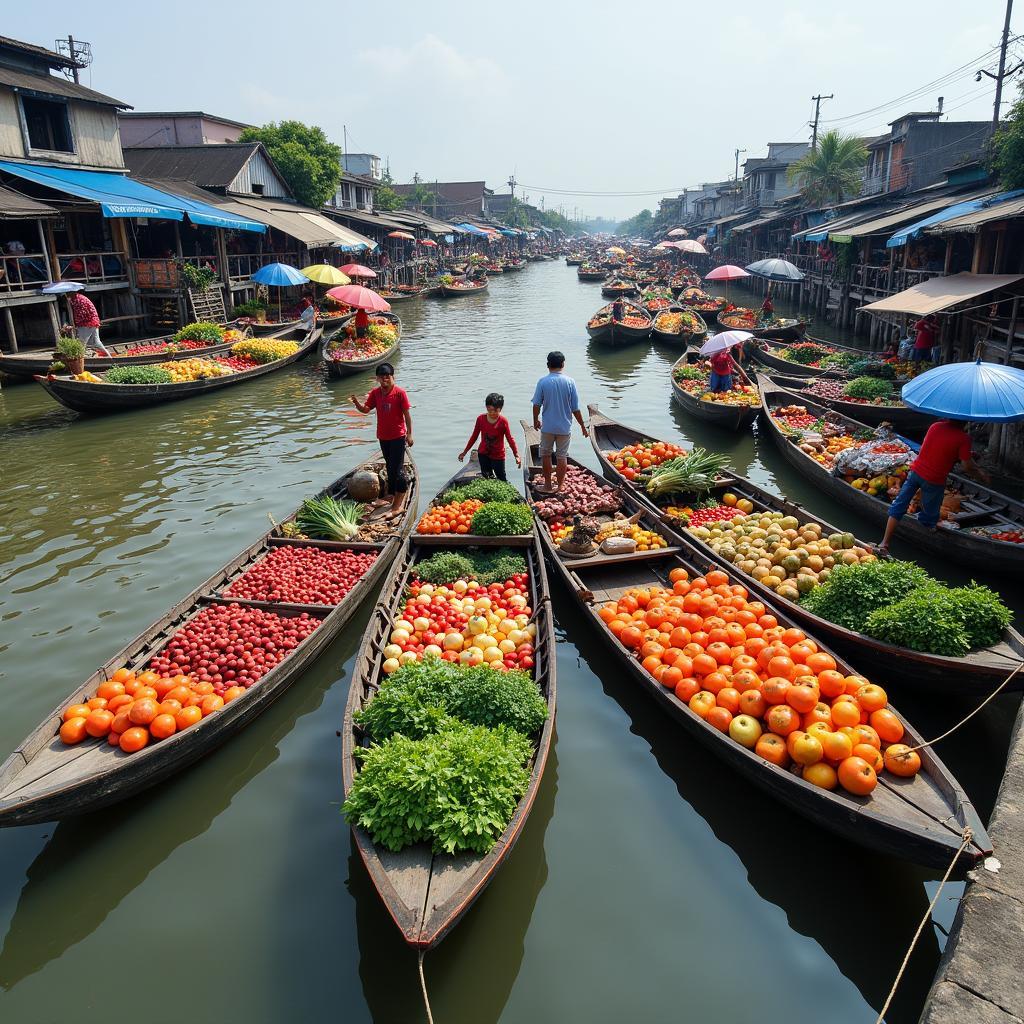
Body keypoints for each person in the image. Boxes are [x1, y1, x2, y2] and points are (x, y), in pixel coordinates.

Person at [876, 419, 990, 554]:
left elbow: (937, 447)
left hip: (916, 472)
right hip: (934, 479)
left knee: (899, 505)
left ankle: (884, 543)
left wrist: (965, 454)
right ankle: (928, 525)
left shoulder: (935, 426)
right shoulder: (964, 438)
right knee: (930, 516)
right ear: (965, 422)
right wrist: (982, 476)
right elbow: (968, 467)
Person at [349, 363, 413, 518]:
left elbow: (407, 415)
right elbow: (366, 410)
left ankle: (397, 506)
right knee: (390, 468)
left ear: (392, 377)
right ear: (377, 378)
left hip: (398, 436)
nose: (385, 379)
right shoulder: (375, 393)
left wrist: (409, 434)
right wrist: (356, 403)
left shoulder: (400, 393)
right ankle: (391, 495)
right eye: (381, 377)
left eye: (388, 376)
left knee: (397, 471)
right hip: (383, 437)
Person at [532, 350, 588, 493]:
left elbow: (536, 404)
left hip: (548, 427)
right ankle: (561, 486)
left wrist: (536, 420)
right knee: (562, 456)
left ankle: (548, 486)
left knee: (545, 455)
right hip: (564, 427)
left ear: (547, 365)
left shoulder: (543, 382)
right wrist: (582, 426)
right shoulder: (570, 382)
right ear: (563, 364)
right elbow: (575, 408)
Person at [458, 392, 521, 480]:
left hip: (498, 455)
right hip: (483, 454)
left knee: (501, 478)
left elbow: (510, 438)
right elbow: (474, 436)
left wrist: (516, 455)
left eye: (495, 410)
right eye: (489, 410)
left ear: (500, 409)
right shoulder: (480, 419)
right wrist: (464, 452)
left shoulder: (503, 421)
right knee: (487, 477)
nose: (492, 413)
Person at [68, 289, 109, 355]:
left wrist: (74, 326)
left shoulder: (77, 300)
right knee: (96, 342)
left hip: (87, 322)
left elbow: (80, 315)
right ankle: (109, 357)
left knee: (81, 343)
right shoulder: (78, 298)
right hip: (93, 321)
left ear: (71, 292)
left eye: (67, 293)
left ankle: (80, 360)